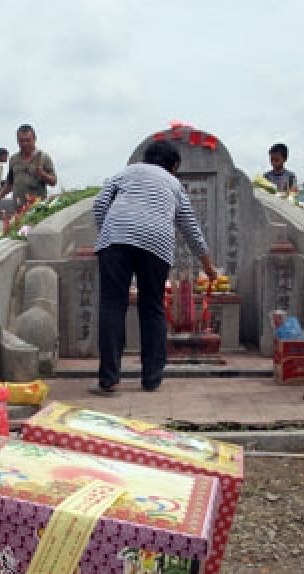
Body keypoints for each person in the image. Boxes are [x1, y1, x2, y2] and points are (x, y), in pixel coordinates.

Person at [91, 139, 218, 396]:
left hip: (115, 240)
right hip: (156, 243)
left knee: (112, 305)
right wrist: (209, 267)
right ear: (174, 166)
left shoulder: (124, 173)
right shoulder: (173, 184)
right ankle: (151, 378)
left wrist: (110, 232)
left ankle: (109, 378)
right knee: (152, 308)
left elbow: (99, 205)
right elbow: (191, 228)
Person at [0, 124, 57, 206]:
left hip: (38, 207)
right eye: (21, 141)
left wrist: (41, 173)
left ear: (34, 139)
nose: (25, 144)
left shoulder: (44, 158)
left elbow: (53, 182)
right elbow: (9, 183)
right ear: (17, 141)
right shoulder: (13, 159)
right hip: (18, 208)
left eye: (28, 140)